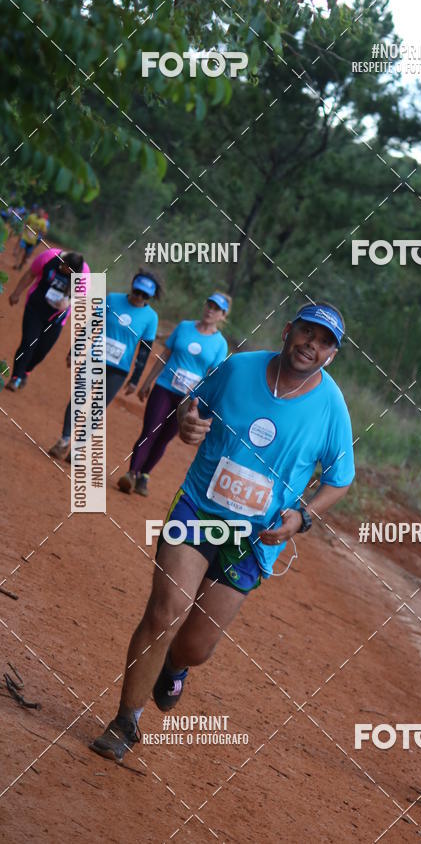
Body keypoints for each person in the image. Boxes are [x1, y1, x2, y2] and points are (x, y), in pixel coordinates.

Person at [90, 301, 355, 762]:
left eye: (324, 342)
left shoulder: (331, 405)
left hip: (253, 538)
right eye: (307, 333)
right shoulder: (239, 367)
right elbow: (191, 409)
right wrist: (188, 423)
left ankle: (174, 665)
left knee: (196, 645)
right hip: (200, 507)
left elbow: (340, 477)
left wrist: (301, 517)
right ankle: (124, 720)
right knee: (165, 608)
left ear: (332, 354)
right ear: (288, 330)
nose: (312, 345)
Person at [117, 293, 230, 497]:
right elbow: (164, 356)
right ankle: (131, 474)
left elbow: (213, 377)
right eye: (209, 304)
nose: (210, 310)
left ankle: (144, 475)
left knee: (164, 439)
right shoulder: (184, 327)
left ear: (223, 315)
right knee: (150, 430)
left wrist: (203, 405)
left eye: (216, 308)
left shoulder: (220, 344)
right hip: (164, 388)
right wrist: (147, 382)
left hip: (188, 401)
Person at [48, 270, 162, 461]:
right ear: (132, 286)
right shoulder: (113, 299)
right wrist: (74, 351)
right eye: (137, 292)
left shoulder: (151, 318)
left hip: (119, 370)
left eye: (144, 296)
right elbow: (91, 325)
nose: (139, 297)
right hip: (94, 358)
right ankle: (64, 441)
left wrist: (135, 380)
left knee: (97, 408)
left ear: (150, 297)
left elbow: (144, 352)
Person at [6, 248, 89, 391]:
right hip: (35, 308)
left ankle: (26, 371)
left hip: (56, 318)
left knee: (41, 351)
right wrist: (16, 293)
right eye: (63, 266)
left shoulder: (84, 274)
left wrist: (68, 303)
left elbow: (81, 298)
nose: (63, 269)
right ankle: (15, 377)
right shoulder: (49, 257)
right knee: (28, 343)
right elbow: (31, 274)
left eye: (67, 270)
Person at [13, 205, 49, 271]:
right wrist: (22, 231)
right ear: (38, 211)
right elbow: (26, 224)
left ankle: (21, 264)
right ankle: (16, 264)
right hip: (25, 237)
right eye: (39, 211)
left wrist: (40, 235)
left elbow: (44, 232)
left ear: (43, 214)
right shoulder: (31, 216)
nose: (40, 213)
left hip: (32, 240)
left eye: (42, 212)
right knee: (20, 250)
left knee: (26, 255)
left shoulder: (43, 222)